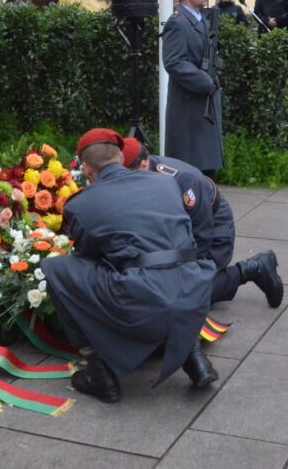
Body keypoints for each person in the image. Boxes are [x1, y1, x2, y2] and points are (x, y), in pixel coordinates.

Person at [41, 129, 218, 402]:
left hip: (148, 295)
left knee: (57, 269)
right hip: (196, 288)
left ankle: (99, 371)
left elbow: (88, 256)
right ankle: (192, 354)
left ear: (86, 170)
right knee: (165, 266)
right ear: (122, 156)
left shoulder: (82, 204)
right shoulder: (166, 183)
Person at [121, 139, 282, 308]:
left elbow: (201, 235)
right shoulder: (140, 175)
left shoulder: (181, 180)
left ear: (143, 165)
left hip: (213, 226)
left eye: (125, 174)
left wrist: (183, 274)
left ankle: (254, 267)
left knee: (188, 295)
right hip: (180, 231)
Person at [162, 0, 223, 176]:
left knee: (206, 169)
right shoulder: (177, 22)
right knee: (191, 170)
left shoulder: (200, 20)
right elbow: (174, 62)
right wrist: (205, 81)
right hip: (188, 106)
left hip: (203, 104)